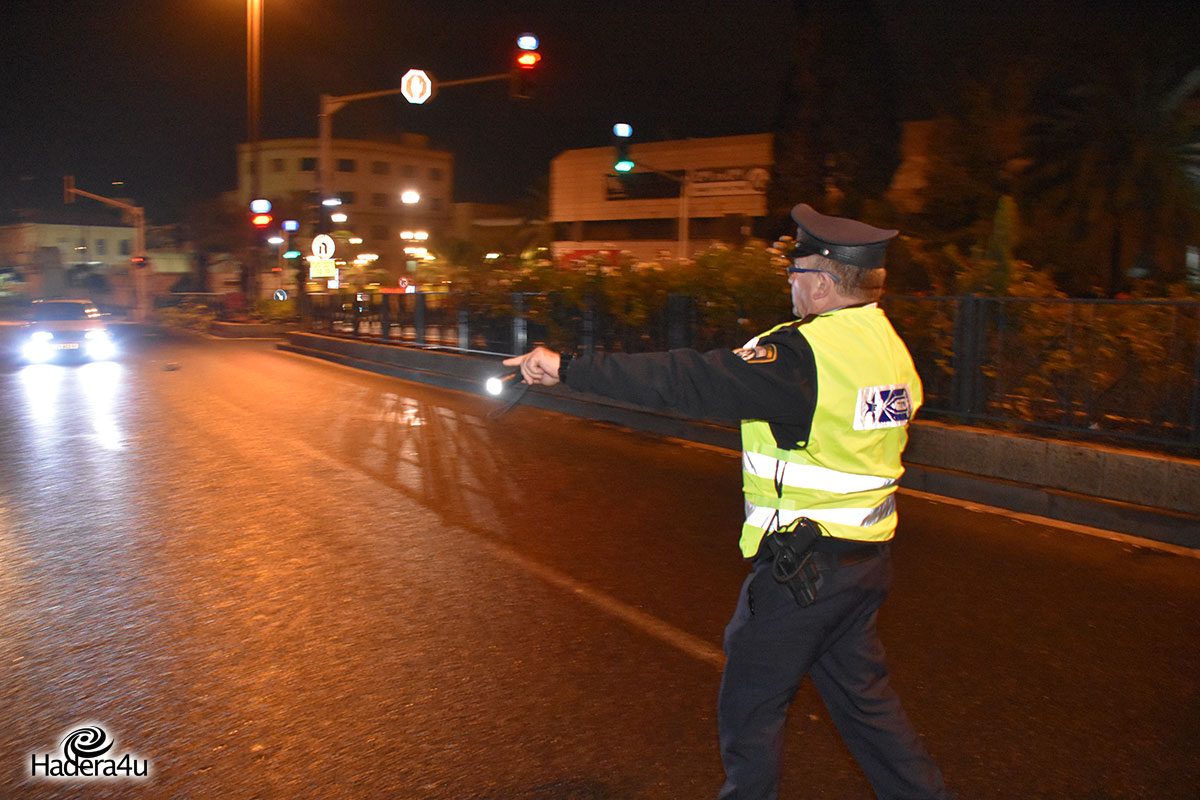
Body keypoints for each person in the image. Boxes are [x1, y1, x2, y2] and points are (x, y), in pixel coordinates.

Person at [503, 203, 950, 800]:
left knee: (750, 712)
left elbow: (688, 378)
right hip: (863, 564)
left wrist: (571, 369)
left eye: (795, 272)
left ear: (820, 279)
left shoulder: (802, 356)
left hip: (802, 575)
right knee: (868, 710)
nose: (790, 283)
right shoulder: (889, 348)